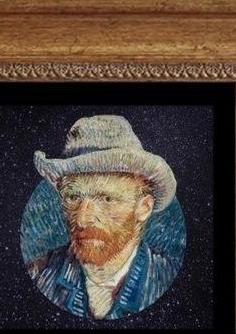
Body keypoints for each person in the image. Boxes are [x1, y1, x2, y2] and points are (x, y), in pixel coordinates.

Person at [28, 115, 181, 321]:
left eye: (107, 199)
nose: (82, 219)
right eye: (73, 197)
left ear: (144, 208)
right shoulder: (38, 275)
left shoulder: (168, 277)